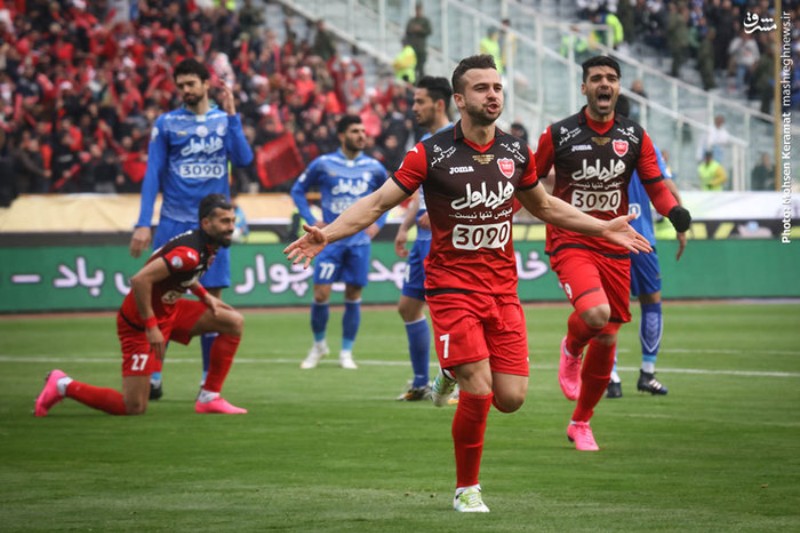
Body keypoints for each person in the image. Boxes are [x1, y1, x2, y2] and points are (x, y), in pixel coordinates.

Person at [285, 54, 652, 512]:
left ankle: (447, 370)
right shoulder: (431, 153)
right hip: (451, 287)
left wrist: (601, 227)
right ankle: (467, 489)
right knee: (477, 387)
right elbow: (378, 203)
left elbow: (544, 206)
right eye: (481, 88)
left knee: (511, 399)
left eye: (497, 87)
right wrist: (328, 233)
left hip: (502, 290)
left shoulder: (515, 151)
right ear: (459, 100)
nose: (493, 95)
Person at [535, 56, 691, 451]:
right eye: (596, 78)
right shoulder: (558, 134)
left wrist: (674, 212)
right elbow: (529, 180)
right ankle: (571, 347)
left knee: (606, 337)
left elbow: (656, 187)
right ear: (584, 88)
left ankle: (581, 422)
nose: (604, 84)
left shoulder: (635, 136)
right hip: (572, 238)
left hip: (616, 243)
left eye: (611, 78)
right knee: (595, 314)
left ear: (618, 87)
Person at [34, 194, 248, 417]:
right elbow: (140, 280)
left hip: (170, 311)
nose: (231, 227)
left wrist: (204, 296)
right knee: (134, 407)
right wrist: (151, 327)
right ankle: (63, 385)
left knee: (233, 322)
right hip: (139, 326)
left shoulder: (206, 245)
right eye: (225, 221)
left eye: (232, 221)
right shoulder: (189, 253)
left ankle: (209, 398)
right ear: (206, 223)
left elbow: (184, 274)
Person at [129, 58, 254, 400]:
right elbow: (153, 173)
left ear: (205, 84)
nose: (185, 90)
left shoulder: (223, 120)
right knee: (163, 300)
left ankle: (206, 382)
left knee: (214, 303)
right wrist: (143, 222)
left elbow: (244, 160)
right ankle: (154, 377)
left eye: (190, 84)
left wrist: (233, 116)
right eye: (180, 85)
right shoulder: (167, 124)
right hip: (174, 222)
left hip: (214, 227)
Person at [290, 115, 389, 370]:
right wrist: (311, 219)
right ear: (342, 135)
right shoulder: (323, 163)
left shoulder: (374, 167)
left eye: (363, 131)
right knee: (321, 293)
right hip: (329, 241)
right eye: (355, 131)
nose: (361, 135)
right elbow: (297, 190)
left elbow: (390, 196)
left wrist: (379, 223)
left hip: (359, 242)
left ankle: (346, 351)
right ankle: (319, 345)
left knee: (353, 295)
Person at [606, 95, 687, 399]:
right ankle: (647, 373)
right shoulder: (643, 142)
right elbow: (667, 186)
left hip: (607, 237)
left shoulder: (594, 144)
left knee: (609, 309)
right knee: (651, 302)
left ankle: (611, 376)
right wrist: (681, 225)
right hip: (641, 240)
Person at [394, 76, 453, 401]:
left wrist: (443, 215)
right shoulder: (426, 142)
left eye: (420, 102)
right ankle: (420, 383)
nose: (414, 107)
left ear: (439, 104)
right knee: (408, 306)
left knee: (448, 310)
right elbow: (419, 193)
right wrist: (405, 227)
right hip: (422, 238)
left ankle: (459, 381)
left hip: (445, 239)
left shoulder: (457, 139)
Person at [404, 2, 432, 81]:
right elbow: (407, 31)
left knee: (421, 68)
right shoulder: (412, 21)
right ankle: (413, 82)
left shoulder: (425, 21)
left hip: (421, 49)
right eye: (417, 10)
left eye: (419, 10)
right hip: (412, 49)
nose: (418, 12)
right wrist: (414, 29)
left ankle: (421, 83)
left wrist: (420, 29)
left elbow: (429, 31)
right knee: (412, 68)